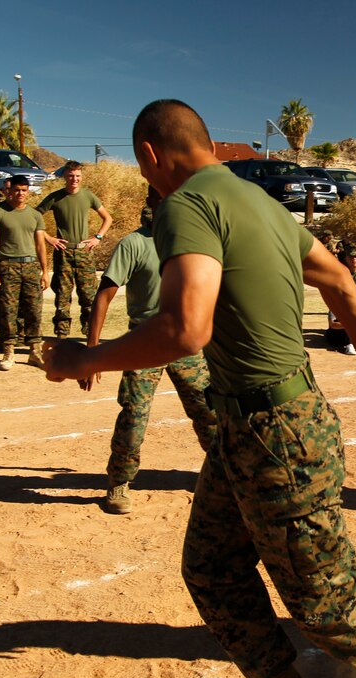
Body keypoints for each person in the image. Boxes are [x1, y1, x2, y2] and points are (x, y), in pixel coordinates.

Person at [42, 99, 356, 678]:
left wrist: (85, 359)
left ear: (151, 155)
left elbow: (185, 330)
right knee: (211, 568)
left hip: (278, 436)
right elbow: (341, 280)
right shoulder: (262, 203)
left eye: (142, 166)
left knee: (324, 601)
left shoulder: (187, 206)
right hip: (249, 427)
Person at [84, 187, 218, 515]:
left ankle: (225, 476)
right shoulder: (134, 244)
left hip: (186, 342)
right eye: (163, 199)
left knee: (209, 412)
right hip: (144, 343)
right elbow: (104, 296)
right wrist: (92, 350)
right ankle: (119, 482)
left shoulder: (193, 242)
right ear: (153, 205)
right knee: (134, 414)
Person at [37, 160, 113, 339]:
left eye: (78, 176)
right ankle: (62, 337)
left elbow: (107, 218)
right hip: (63, 253)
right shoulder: (55, 197)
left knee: (88, 296)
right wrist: (48, 238)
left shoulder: (88, 196)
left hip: (84, 252)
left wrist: (98, 237)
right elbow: (34, 218)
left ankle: (89, 335)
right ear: (64, 176)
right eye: (71, 176)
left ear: (81, 176)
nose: (74, 179)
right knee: (62, 297)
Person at [0, 175, 49, 370]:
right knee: (8, 311)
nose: (20, 194)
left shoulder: (35, 215)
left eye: (24, 190)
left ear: (28, 192)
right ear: (9, 191)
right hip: (7, 266)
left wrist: (45, 271)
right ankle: (9, 351)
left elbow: (40, 245)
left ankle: (34, 351)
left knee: (34, 310)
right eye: (16, 190)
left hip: (31, 266)